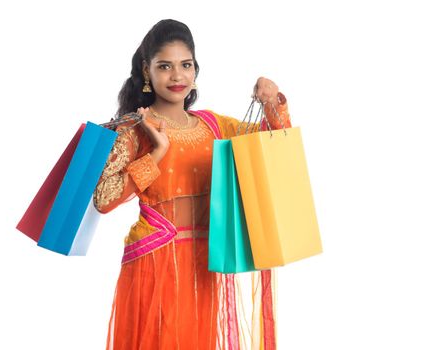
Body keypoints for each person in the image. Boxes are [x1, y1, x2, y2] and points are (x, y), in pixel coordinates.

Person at [93, 19, 292, 350]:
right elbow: (104, 199)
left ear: (195, 70)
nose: (177, 76)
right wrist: (157, 152)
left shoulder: (213, 125)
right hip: (155, 263)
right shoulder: (134, 130)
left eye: (185, 65)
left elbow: (270, 147)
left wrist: (273, 101)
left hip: (203, 262)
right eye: (165, 66)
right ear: (147, 71)